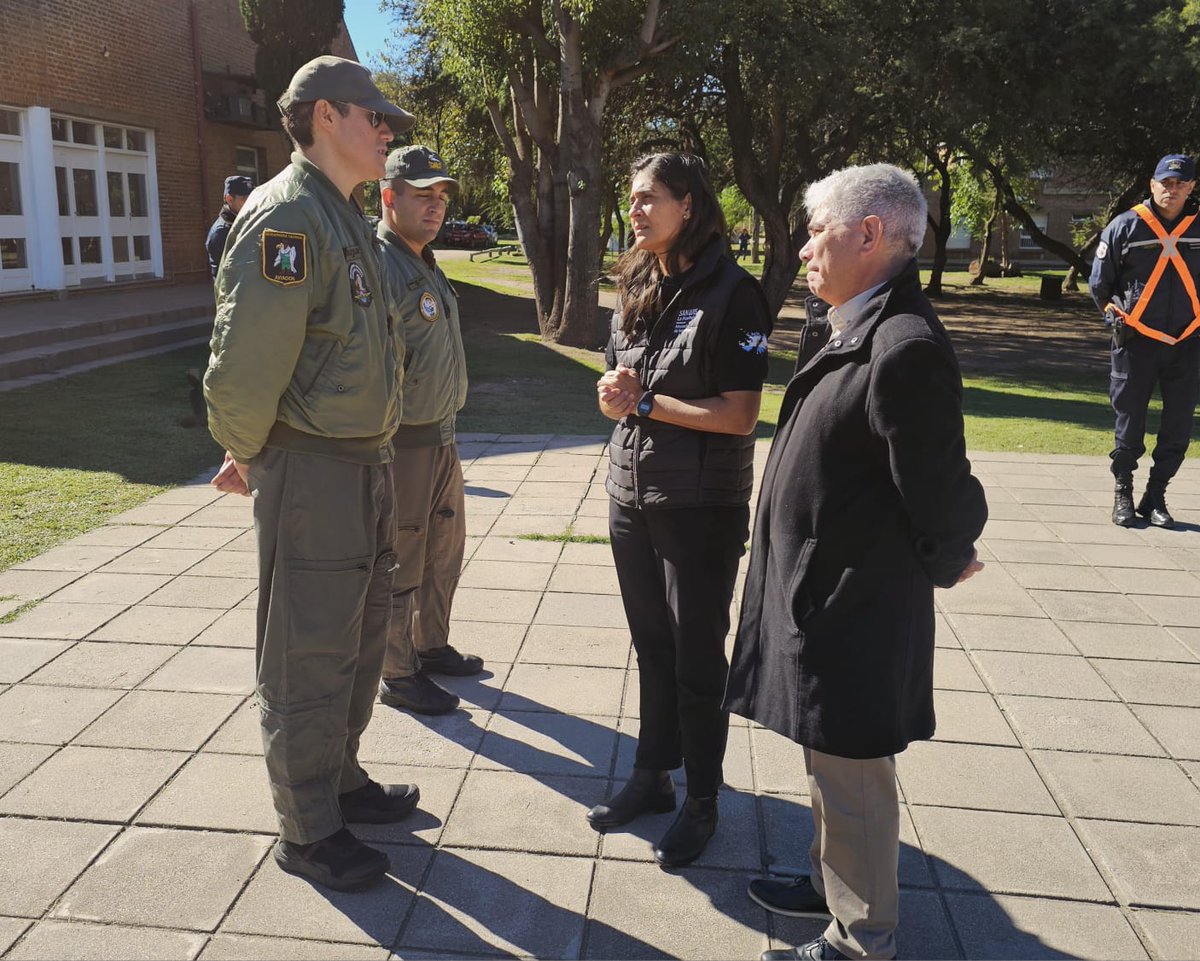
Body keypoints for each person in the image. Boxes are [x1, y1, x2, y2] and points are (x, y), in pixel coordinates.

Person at [723, 163, 987, 961]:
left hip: (853, 601)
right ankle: (827, 880)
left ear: (869, 234)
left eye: (817, 230)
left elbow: (941, 484)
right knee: (824, 752)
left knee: (853, 771)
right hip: (818, 591)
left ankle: (862, 937)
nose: (804, 248)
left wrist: (952, 551)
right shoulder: (846, 317)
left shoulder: (902, 344)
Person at [204, 55, 420, 893]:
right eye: (375, 118)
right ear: (327, 117)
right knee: (308, 649)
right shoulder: (289, 217)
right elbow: (244, 368)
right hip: (314, 470)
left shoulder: (342, 217)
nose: (387, 130)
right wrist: (254, 455)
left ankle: (337, 780)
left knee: (359, 640)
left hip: (359, 463)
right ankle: (307, 827)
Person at [587, 152, 772, 868]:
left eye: (648, 198)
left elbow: (740, 415)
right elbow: (620, 377)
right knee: (652, 645)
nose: (635, 209)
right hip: (631, 494)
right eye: (631, 198)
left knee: (698, 658)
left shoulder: (735, 293)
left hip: (701, 507)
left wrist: (645, 400)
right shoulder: (635, 278)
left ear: (689, 204)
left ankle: (703, 799)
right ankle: (652, 775)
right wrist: (615, 395)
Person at [375, 145, 482, 715]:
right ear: (389, 197)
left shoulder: (423, 259)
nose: (436, 207)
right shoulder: (381, 262)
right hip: (403, 444)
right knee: (403, 555)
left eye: (440, 197)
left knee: (444, 548)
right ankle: (396, 673)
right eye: (423, 196)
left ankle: (430, 645)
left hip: (441, 434)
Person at [1089, 153, 1200, 529]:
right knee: (1130, 422)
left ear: (1191, 187)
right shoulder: (1125, 227)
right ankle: (1123, 491)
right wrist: (1114, 318)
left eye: (1180, 183)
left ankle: (1156, 495)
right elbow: (1099, 286)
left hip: (1187, 342)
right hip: (1136, 341)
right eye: (1166, 183)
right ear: (1153, 184)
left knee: (1179, 425)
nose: (1172, 189)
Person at [205, 175, 254, 279]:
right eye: (244, 198)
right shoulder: (221, 232)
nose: (250, 203)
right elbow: (224, 275)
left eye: (251, 198)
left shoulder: (245, 221)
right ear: (229, 199)